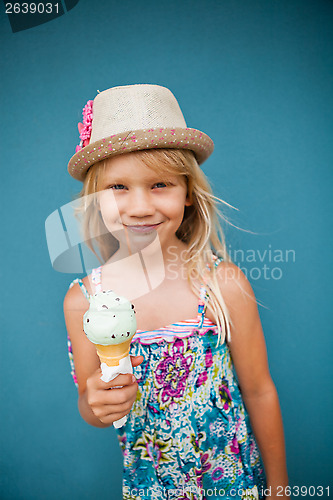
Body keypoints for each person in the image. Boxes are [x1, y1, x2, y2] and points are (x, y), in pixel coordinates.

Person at [64, 84, 289, 500]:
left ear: (187, 192)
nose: (141, 206)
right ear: (95, 199)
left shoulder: (222, 284)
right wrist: (98, 404)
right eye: (118, 187)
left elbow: (259, 390)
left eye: (160, 185)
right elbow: (91, 404)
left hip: (234, 484)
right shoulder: (84, 300)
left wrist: (279, 490)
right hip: (151, 487)